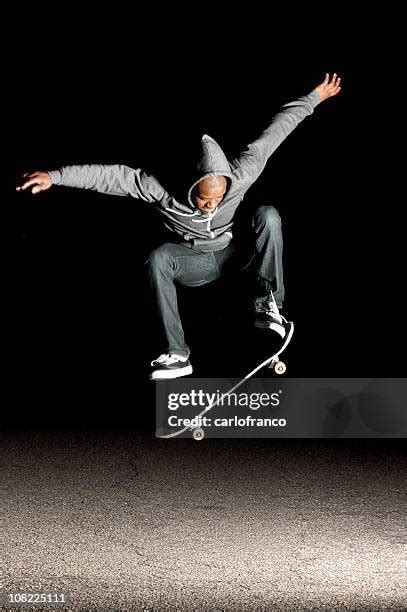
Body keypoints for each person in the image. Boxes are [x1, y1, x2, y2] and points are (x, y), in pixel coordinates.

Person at [16, 73, 341, 380]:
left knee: (268, 214)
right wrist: (55, 177)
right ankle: (177, 353)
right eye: (203, 200)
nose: (211, 205)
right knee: (158, 257)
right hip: (195, 262)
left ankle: (269, 304)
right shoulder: (160, 189)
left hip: (234, 253)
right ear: (190, 187)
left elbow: (276, 129)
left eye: (217, 198)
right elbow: (109, 175)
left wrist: (315, 97)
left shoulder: (242, 172)